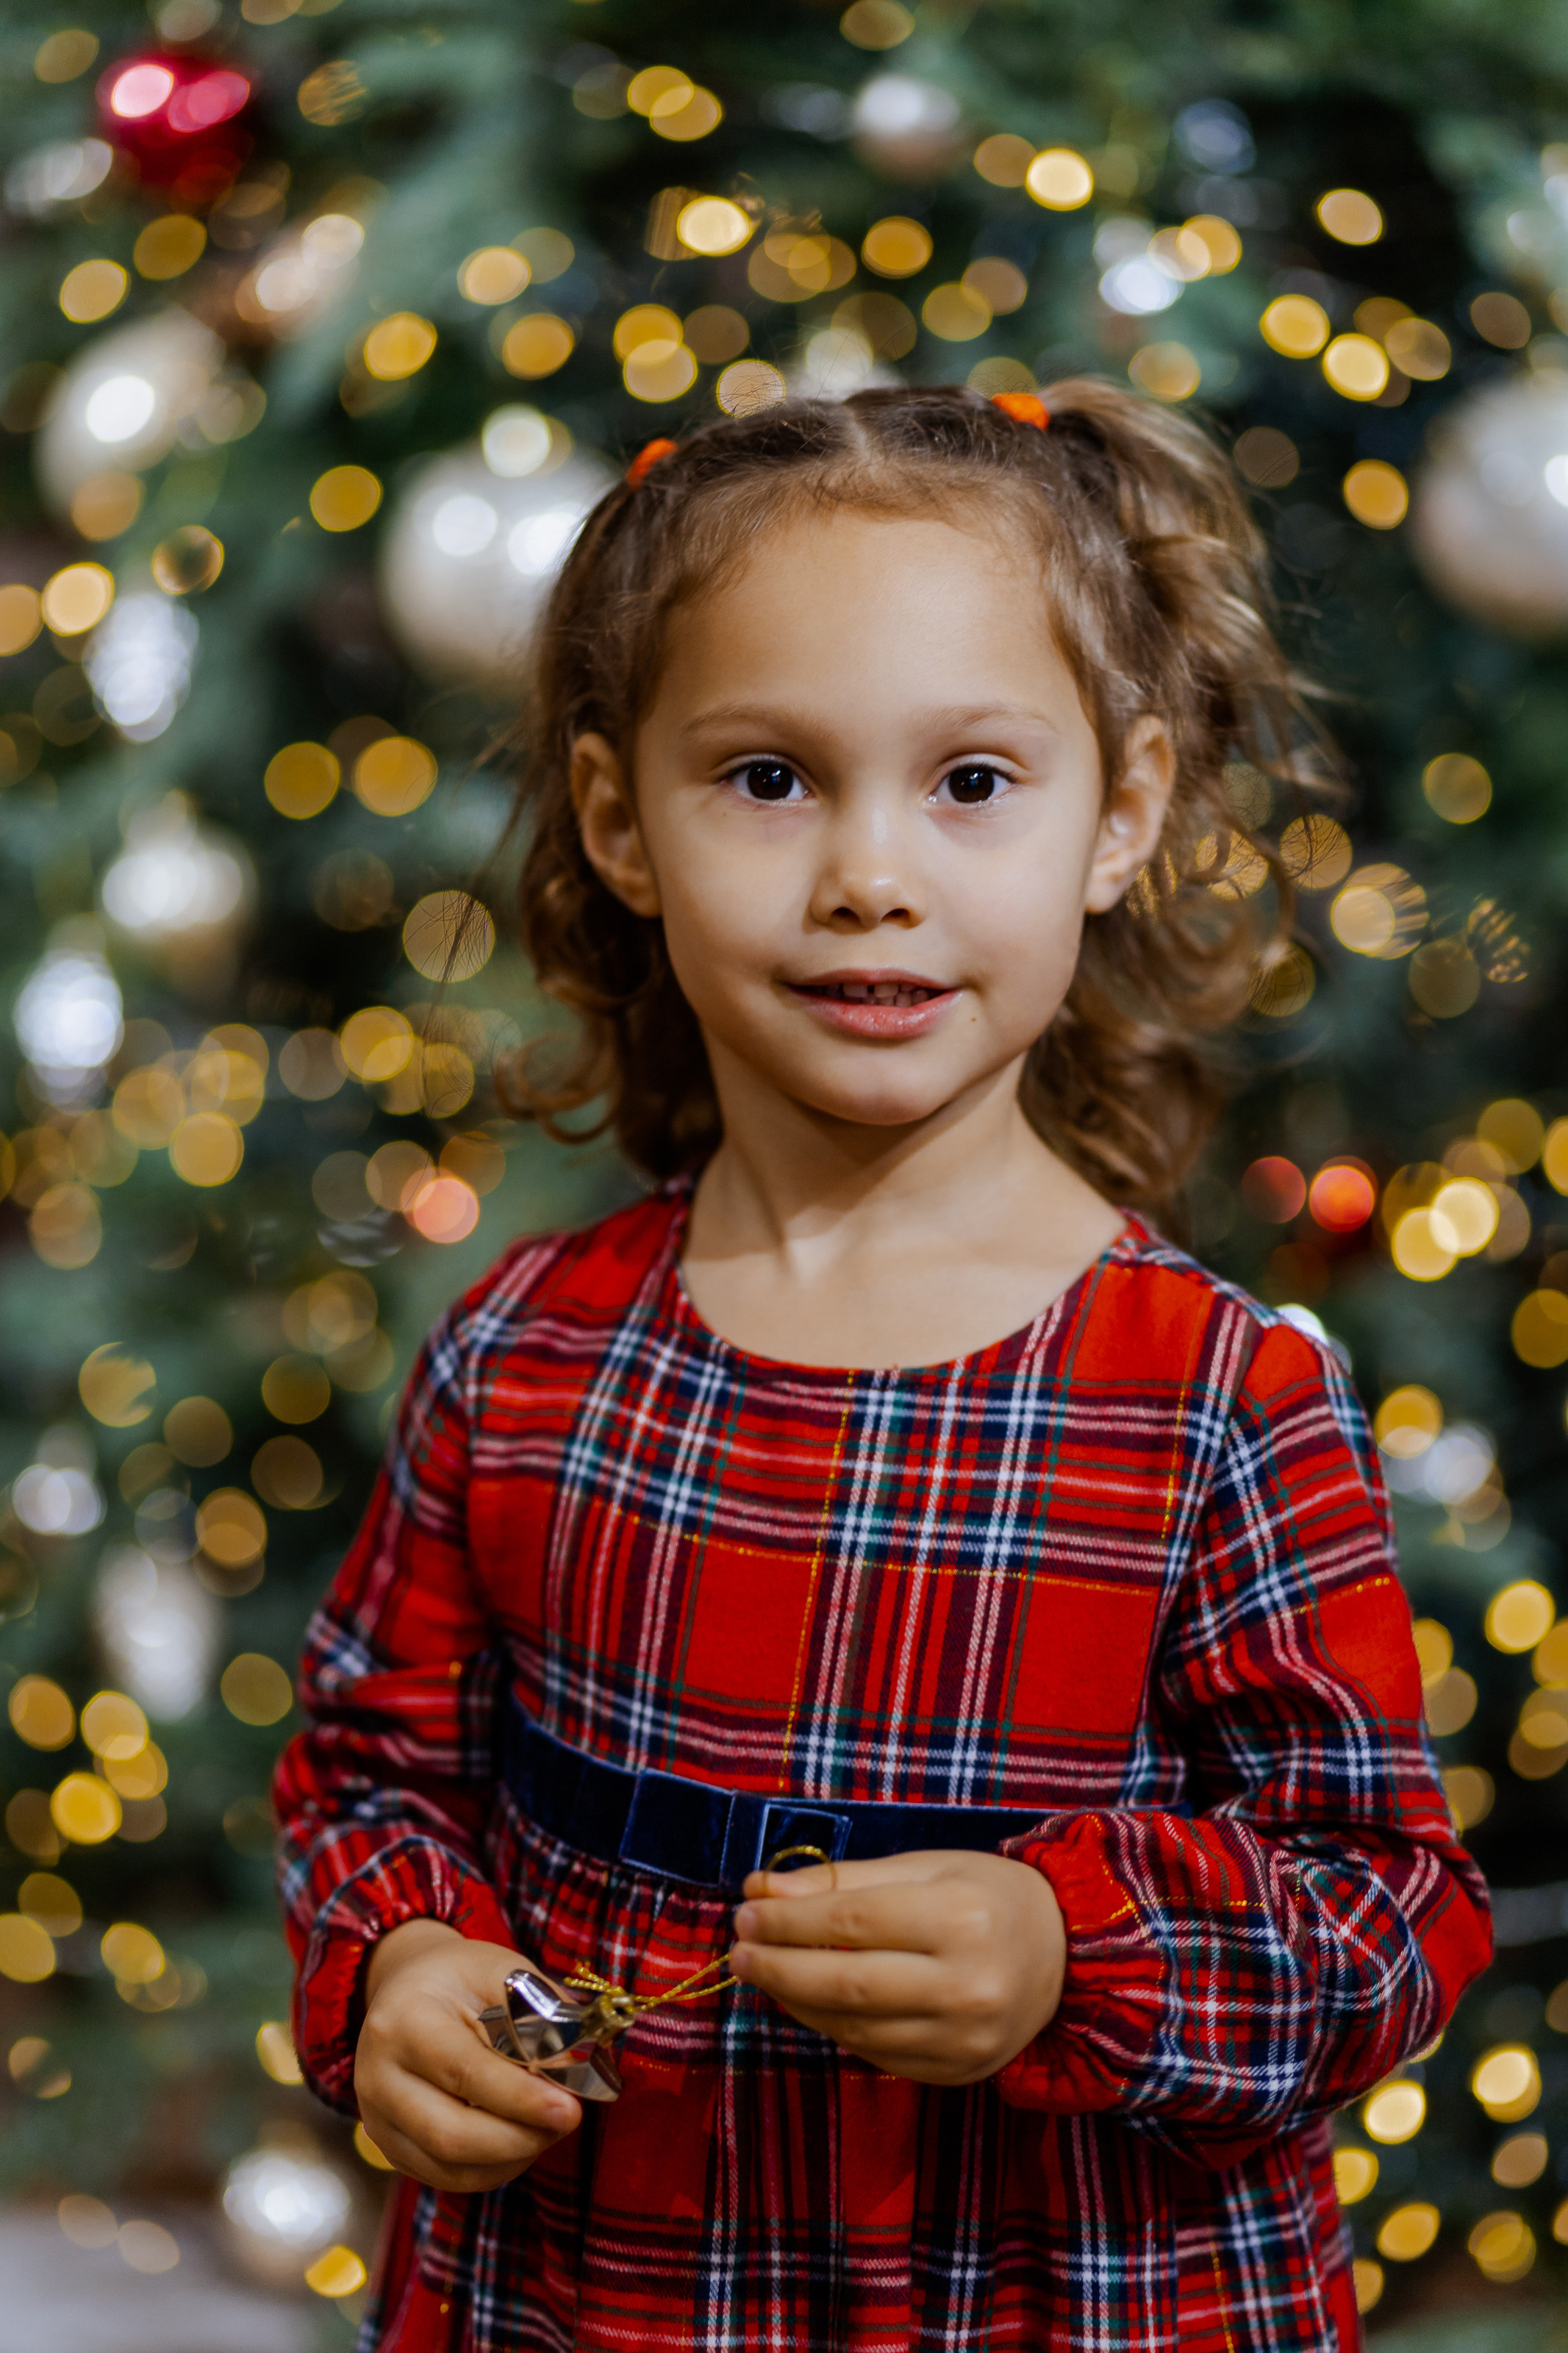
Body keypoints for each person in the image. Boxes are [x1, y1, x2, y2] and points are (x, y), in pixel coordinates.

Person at [274, 382, 1491, 2353]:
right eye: (767, 778)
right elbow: (371, 1767)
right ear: (619, 820)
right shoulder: (521, 1352)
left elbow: (1377, 1912)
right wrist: (403, 1961)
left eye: (973, 784)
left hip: (1059, 2295)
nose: (869, 873)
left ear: (1126, 813)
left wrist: (1067, 1951)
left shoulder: (1214, 1402)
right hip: (602, 2295)